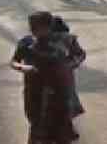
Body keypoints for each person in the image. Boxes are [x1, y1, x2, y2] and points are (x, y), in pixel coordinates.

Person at [11, 11, 86, 144]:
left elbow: (80, 54)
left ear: (49, 27)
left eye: (38, 28)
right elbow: (14, 61)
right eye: (32, 28)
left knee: (61, 125)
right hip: (34, 91)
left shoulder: (65, 40)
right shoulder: (27, 43)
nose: (34, 31)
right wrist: (23, 68)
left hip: (60, 90)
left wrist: (68, 65)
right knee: (36, 123)